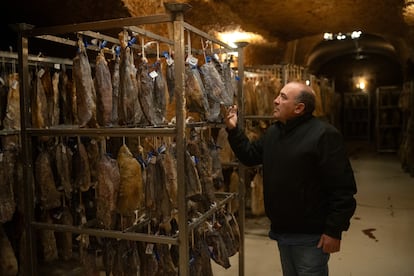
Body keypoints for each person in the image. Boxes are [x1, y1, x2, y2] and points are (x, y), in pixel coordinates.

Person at [225, 81, 357, 276]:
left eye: (283, 97)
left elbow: (342, 189)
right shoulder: (274, 132)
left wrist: (334, 231)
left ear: (299, 108)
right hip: (282, 230)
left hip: (310, 235)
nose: (275, 100)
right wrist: (233, 130)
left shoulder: (324, 135)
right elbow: (250, 155)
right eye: (278, 95)